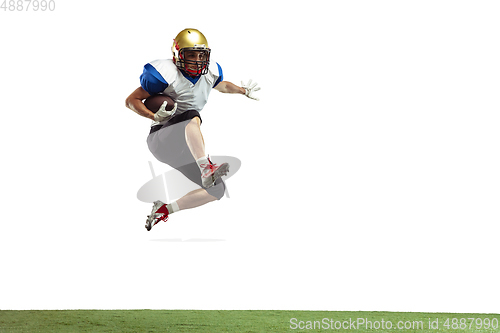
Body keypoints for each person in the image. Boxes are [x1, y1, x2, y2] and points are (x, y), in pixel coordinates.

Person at [125, 28, 260, 231]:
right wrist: (153, 116)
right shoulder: (164, 73)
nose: (197, 60)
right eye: (190, 55)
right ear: (177, 55)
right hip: (162, 137)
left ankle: (164, 210)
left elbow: (221, 85)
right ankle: (206, 168)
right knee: (191, 115)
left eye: (200, 55)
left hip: (183, 144)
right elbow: (131, 100)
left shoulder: (211, 72)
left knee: (216, 190)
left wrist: (242, 90)